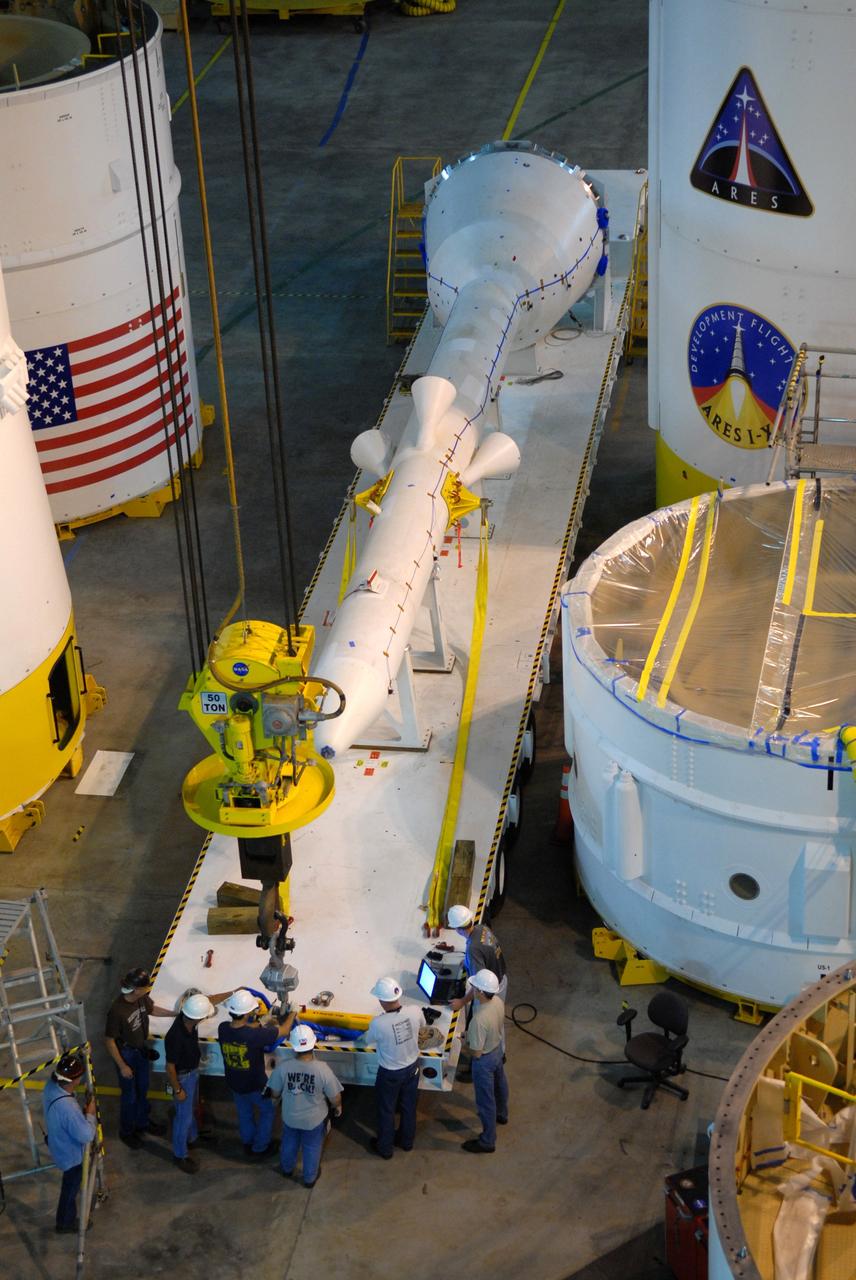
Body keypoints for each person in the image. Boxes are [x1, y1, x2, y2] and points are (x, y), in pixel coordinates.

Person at [104, 967, 175, 1148]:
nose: (148, 989)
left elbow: (152, 1009)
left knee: (142, 1089)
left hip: (140, 1050)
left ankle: (143, 1122)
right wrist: (122, 1066)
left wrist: (175, 1014)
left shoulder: (141, 998)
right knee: (130, 1096)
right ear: (136, 989)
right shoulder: (117, 1011)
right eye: (146, 987)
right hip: (126, 1054)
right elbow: (110, 1041)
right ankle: (127, 1131)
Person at [218, 989, 291, 1158]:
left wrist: (261, 1022)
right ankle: (260, 1147)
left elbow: (242, 1029)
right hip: (255, 1085)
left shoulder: (223, 1029)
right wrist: (292, 1013)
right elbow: (284, 1031)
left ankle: (247, 1142)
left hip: (234, 1083)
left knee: (244, 1113)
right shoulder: (254, 1036)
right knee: (267, 1111)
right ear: (246, 1013)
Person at [268, 1024, 342, 1188]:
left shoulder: (283, 1068)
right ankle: (309, 1179)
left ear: (293, 1046)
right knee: (312, 1148)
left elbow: (274, 1093)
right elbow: (335, 1097)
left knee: (289, 1143)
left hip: (290, 1118)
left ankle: (287, 1169)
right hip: (314, 1122)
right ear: (313, 1043)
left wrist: (277, 1100)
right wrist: (338, 1107)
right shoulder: (323, 1070)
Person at [363, 976, 424, 1159]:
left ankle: (385, 1148)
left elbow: (367, 1040)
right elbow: (422, 1026)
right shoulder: (415, 1011)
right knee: (408, 1107)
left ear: (382, 1000)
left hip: (390, 1073)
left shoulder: (378, 1024)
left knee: (386, 1109)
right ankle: (406, 1142)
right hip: (412, 1069)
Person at [164, 991, 223, 1173]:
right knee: (183, 1117)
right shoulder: (175, 1036)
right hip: (182, 1078)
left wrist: (234, 992)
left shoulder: (188, 1018)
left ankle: (193, 1137)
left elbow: (208, 1001)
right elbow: (170, 1067)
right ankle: (180, 1155)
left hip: (192, 1073)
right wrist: (178, 1090)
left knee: (190, 1110)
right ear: (197, 1018)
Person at [43, 1051, 97, 1233]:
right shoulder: (68, 1108)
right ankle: (65, 1222)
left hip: (56, 1141)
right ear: (74, 1081)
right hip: (71, 1156)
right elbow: (87, 1135)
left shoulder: (51, 1087)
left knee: (71, 1185)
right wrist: (89, 1114)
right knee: (70, 1188)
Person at [460, 969, 509, 1154]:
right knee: (500, 1084)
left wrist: (464, 1043)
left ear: (480, 991)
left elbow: (476, 1053)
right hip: (496, 1050)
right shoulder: (498, 1001)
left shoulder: (479, 1020)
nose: (472, 988)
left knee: (485, 1101)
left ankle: (488, 1141)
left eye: (474, 987)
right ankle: (502, 1114)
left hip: (484, 1060)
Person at [446, 905, 508, 1010]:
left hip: (489, 993)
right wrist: (468, 962)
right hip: (501, 978)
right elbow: (485, 951)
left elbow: (479, 986)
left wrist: (462, 1001)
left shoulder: (472, 949)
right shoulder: (481, 928)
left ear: (457, 929)